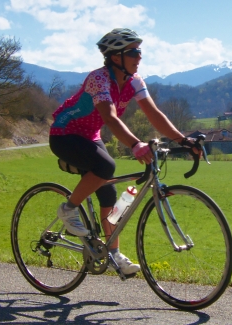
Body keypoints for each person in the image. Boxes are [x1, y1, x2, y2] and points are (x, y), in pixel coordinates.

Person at [49, 28, 193, 275]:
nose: (139, 57)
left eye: (140, 52)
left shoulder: (135, 81)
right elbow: (111, 118)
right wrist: (136, 144)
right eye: (134, 52)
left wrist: (184, 140)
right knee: (106, 167)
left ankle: (113, 254)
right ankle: (69, 209)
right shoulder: (99, 79)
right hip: (65, 134)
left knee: (109, 193)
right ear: (116, 57)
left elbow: (154, 114)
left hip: (90, 136)